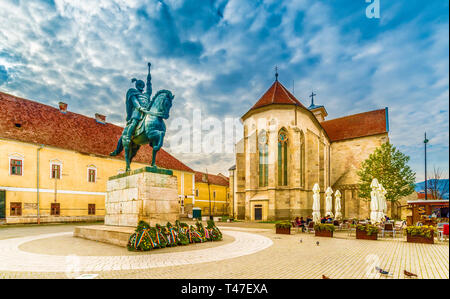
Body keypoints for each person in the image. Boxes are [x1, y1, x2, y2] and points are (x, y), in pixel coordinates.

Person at [110, 63, 153, 156]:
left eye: (142, 85)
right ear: (137, 86)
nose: (141, 87)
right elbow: (134, 101)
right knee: (133, 123)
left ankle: (152, 140)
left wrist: (149, 77)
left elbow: (149, 87)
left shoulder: (146, 95)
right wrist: (139, 107)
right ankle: (128, 137)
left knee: (154, 122)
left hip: (147, 113)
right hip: (137, 112)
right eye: (139, 85)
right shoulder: (132, 92)